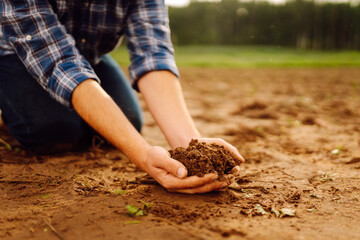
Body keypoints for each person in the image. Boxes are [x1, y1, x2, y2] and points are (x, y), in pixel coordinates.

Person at [0, 0, 244, 194]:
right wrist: (142, 155)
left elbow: (153, 53)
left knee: (128, 122)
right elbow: (60, 63)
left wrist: (191, 146)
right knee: (55, 130)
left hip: (89, 55)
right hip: (16, 53)